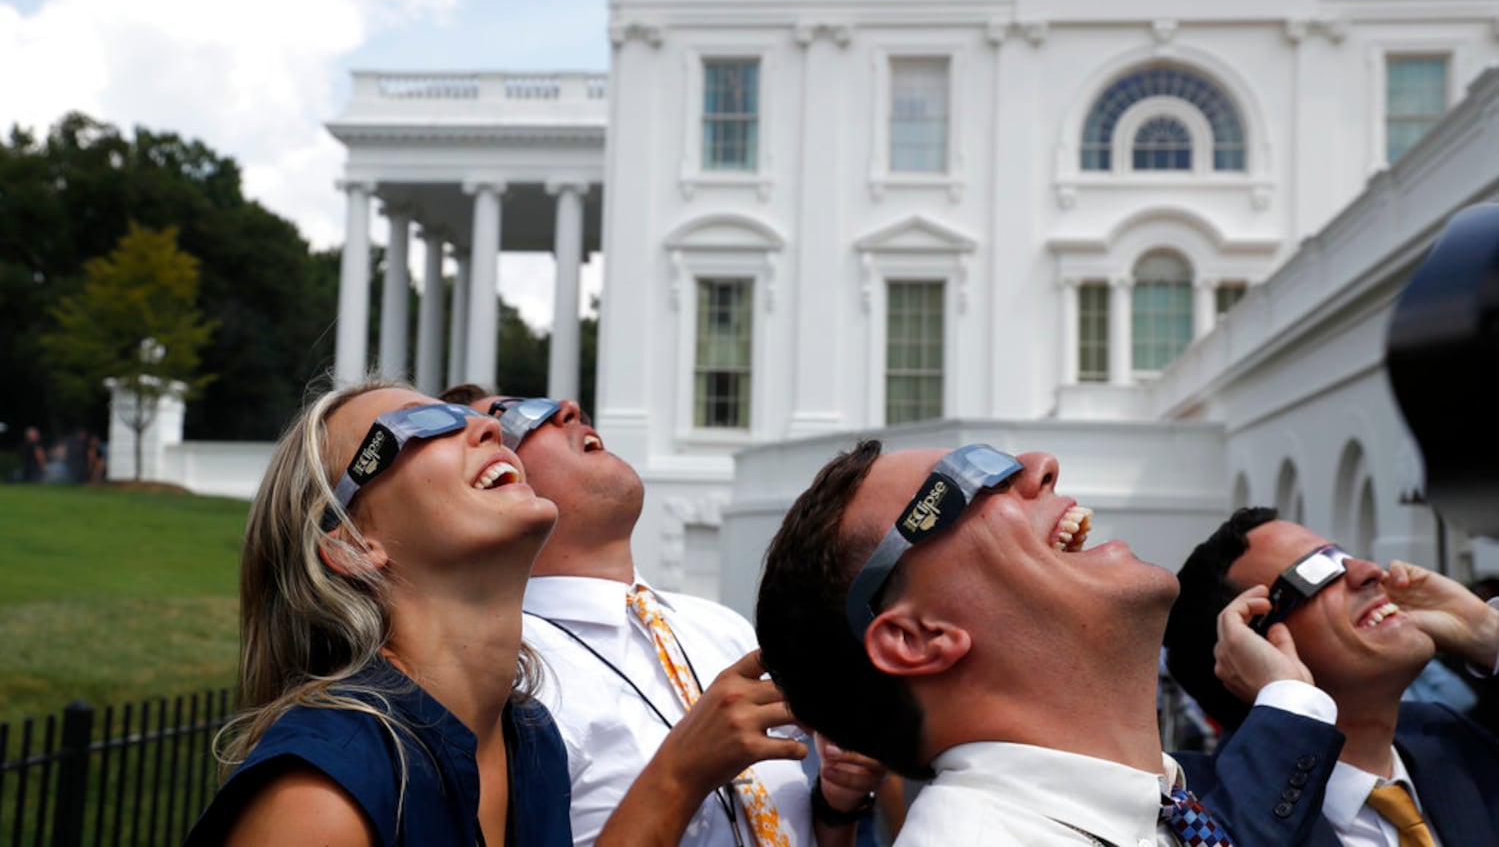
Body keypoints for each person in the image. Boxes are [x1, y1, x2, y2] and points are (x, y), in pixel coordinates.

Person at [755, 440, 1347, 846]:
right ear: (917, 637)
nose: (1039, 465)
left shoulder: (1171, 806)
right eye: (969, 479)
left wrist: (1290, 694)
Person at [452, 389, 888, 847]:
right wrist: (683, 770)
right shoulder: (509, 676)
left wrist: (836, 806)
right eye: (515, 416)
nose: (568, 407)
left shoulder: (723, 627)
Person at [186, 381, 573, 845]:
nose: (490, 425)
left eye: (474, 418)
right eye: (424, 424)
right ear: (349, 543)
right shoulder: (319, 801)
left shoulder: (533, 740)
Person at [1166, 506, 1499, 845]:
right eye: (1317, 572)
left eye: (1344, 557)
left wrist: (1489, 636)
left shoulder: (1448, 742)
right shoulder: (1196, 807)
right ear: (1250, 649)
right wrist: (1287, 696)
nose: (1370, 571)